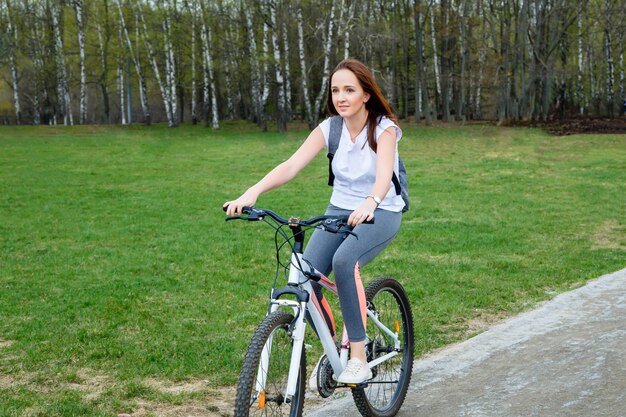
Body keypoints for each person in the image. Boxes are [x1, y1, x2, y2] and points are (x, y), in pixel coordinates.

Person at [224, 58, 405, 384]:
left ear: (366, 94)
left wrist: (371, 202)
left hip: (382, 210)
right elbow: (291, 166)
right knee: (308, 271)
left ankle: (359, 357)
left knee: (345, 260)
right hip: (339, 210)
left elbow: (383, 178)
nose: (341, 97)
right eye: (336, 90)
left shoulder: (384, 129)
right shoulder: (329, 128)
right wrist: (253, 191)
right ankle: (336, 344)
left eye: (349, 89)